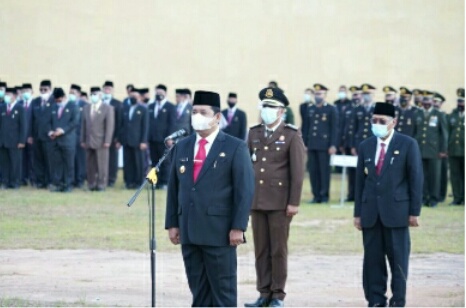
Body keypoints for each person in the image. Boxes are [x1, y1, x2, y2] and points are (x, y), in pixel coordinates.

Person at [165, 90, 254, 307]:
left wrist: (238, 227)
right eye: (194, 112)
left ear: (217, 117)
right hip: (189, 231)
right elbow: (174, 188)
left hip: (219, 233)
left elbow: (245, 191)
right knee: (199, 292)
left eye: (203, 112)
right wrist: (172, 223)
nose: (197, 116)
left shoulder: (234, 147)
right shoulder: (183, 146)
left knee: (223, 293)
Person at [354, 102, 423, 307]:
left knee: (398, 260)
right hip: (371, 214)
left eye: (381, 121)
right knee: (372, 260)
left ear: (393, 122)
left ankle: (398, 300)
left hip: (397, 213)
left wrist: (414, 212)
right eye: (374, 121)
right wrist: (358, 213)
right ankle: (375, 300)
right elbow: (359, 183)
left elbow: (415, 179)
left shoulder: (407, 144)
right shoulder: (366, 146)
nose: (377, 125)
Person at [245, 87, 305, 307]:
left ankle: (277, 295)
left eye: (271, 107)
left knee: (278, 249)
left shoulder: (291, 134)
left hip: (280, 202)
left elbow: (297, 172)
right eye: (264, 106)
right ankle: (263, 293)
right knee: (261, 249)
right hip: (257, 200)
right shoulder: (254, 133)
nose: (266, 111)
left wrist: (294, 202)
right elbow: (247, 165)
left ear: (281, 111)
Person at [302, 83, 338, 203]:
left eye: (320, 94)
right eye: (316, 94)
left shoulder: (331, 109)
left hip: (325, 146)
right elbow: (306, 128)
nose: (317, 96)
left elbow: (334, 128)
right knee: (313, 171)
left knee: (324, 172)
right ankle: (315, 195)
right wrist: (304, 143)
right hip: (312, 144)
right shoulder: (310, 109)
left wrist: (333, 145)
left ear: (325, 95)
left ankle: (324, 196)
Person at [413, 90, 448, 207]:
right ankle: (423, 197)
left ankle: (434, 198)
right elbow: (414, 133)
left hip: (435, 151)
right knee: (422, 176)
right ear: (422, 101)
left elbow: (444, 134)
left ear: (432, 101)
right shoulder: (417, 114)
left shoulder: (439, 115)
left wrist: (443, 150)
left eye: (428, 100)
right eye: (424, 100)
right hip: (420, 150)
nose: (426, 102)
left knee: (435, 177)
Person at [81, 87, 115, 191]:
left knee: (102, 164)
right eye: (92, 94)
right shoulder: (86, 108)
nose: (93, 96)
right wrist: (82, 139)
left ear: (100, 95)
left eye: (95, 94)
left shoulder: (107, 108)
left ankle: (101, 184)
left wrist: (107, 140)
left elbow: (110, 126)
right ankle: (91, 183)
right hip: (89, 140)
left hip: (101, 141)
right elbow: (83, 125)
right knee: (90, 164)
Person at [47, 88, 80, 192]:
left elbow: (74, 122)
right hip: (55, 141)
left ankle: (68, 184)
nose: (58, 103)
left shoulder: (73, 107)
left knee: (69, 164)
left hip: (67, 141)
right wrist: (50, 132)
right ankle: (58, 184)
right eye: (56, 101)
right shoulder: (53, 107)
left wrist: (63, 130)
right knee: (57, 164)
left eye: (60, 101)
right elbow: (48, 122)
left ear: (64, 97)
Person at [118, 88, 149, 189]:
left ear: (139, 98)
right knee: (128, 163)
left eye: (135, 97)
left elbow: (145, 126)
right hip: (126, 140)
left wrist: (143, 141)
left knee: (138, 162)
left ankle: (138, 182)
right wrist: (120, 139)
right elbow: (121, 125)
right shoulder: (125, 108)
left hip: (138, 141)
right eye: (131, 97)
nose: (133, 99)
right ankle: (128, 182)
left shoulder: (143, 109)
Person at [147, 84, 176, 189]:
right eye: (157, 93)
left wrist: (170, 138)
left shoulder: (170, 107)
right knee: (154, 162)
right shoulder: (150, 106)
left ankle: (165, 182)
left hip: (164, 140)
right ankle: (156, 181)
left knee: (165, 162)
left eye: (161, 93)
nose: (159, 95)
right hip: (152, 139)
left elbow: (172, 123)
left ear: (165, 93)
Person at [30, 79, 55, 188]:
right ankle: (40, 181)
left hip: (49, 137)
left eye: (45, 89)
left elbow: (57, 119)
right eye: (41, 89)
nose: (43, 91)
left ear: (50, 90)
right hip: (37, 136)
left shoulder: (55, 101)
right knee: (38, 160)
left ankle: (50, 181)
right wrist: (30, 135)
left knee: (49, 161)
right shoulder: (35, 102)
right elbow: (31, 119)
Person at [0, 87, 27, 189]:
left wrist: (22, 140)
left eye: (9, 95)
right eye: (6, 95)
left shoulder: (20, 108)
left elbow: (23, 125)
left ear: (15, 96)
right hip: (3, 140)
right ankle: (5, 181)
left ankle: (15, 182)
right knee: (4, 163)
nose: (6, 97)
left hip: (15, 141)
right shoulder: (2, 107)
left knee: (15, 162)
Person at [339, 85, 360, 201]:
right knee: (350, 173)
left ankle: (358, 195)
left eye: (357, 94)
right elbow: (344, 127)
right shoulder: (348, 108)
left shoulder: (362, 109)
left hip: (358, 146)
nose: (355, 96)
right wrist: (342, 143)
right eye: (353, 94)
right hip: (347, 144)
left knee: (359, 172)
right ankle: (351, 194)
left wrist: (354, 146)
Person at [102, 81, 122, 187]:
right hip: (100, 136)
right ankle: (102, 177)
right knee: (102, 159)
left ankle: (111, 178)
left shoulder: (117, 104)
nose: (107, 91)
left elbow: (119, 122)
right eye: (105, 89)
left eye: (109, 89)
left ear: (112, 90)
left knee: (112, 159)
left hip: (113, 137)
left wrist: (118, 138)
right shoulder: (100, 102)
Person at [447, 88, 464, 205]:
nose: (460, 104)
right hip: (453, 150)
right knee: (455, 176)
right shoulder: (452, 115)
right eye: (458, 101)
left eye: (462, 101)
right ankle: (457, 198)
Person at [69, 84, 87, 188]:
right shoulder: (68, 105)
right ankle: (72, 179)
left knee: (80, 160)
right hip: (70, 137)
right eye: (70, 93)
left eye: (73, 93)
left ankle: (80, 180)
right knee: (71, 160)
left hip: (81, 136)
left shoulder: (85, 105)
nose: (71, 95)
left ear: (79, 94)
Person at [351, 83, 376, 156]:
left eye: (368, 93)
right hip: (359, 142)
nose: (366, 96)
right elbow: (353, 128)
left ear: (373, 94)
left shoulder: (377, 109)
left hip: (373, 141)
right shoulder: (357, 109)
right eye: (364, 93)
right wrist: (352, 146)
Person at [19, 83, 34, 186]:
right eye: (23, 91)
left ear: (32, 92)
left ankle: (32, 178)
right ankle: (23, 178)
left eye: (27, 91)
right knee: (22, 159)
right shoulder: (19, 104)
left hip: (31, 137)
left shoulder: (35, 103)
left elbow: (36, 122)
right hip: (20, 137)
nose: (25, 93)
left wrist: (31, 135)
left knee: (32, 159)